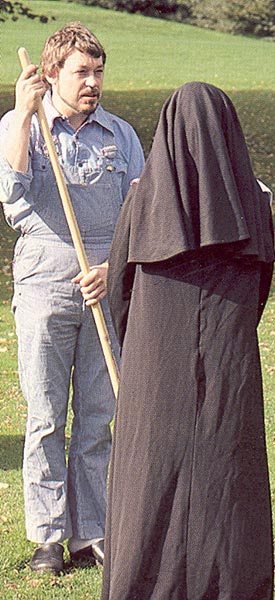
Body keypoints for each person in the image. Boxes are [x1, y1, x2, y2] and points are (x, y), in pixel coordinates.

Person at [101, 81, 275, 600]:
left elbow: (118, 293)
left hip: (155, 366)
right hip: (228, 357)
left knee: (152, 477)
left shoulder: (142, 202)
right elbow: (261, 287)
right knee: (225, 472)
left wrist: (143, 345)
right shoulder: (254, 205)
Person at [0, 22, 144, 575]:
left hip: (105, 280)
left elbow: (140, 214)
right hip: (44, 279)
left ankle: (91, 533)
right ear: (51, 73)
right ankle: (47, 538)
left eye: (98, 72)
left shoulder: (121, 135)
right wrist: (22, 113)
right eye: (81, 72)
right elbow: (11, 196)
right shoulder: (23, 125)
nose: (93, 82)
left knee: (98, 416)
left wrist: (113, 267)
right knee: (44, 416)